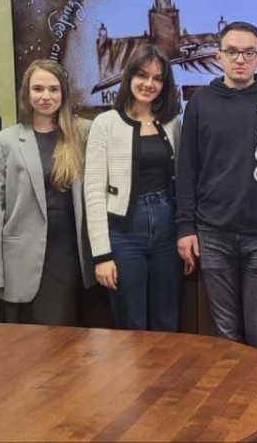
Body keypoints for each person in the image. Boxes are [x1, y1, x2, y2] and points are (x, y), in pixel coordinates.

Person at [176, 20, 257, 357]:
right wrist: (185, 227)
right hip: (213, 234)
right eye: (232, 52)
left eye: (248, 52)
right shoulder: (200, 103)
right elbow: (187, 170)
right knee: (226, 337)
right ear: (218, 57)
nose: (240, 59)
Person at [0, 59, 95, 325]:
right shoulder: (5, 141)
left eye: (53, 89)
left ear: (64, 93)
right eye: (38, 89)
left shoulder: (82, 133)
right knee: (21, 340)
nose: (46, 96)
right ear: (27, 93)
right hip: (19, 258)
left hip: (66, 254)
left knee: (58, 332)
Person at [85, 44, 183, 330]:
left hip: (168, 229)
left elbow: (183, 182)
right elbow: (93, 194)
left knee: (167, 320)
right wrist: (102, 256)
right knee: (131, 323)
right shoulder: (105, 124)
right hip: (124, 232)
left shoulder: (173, 124)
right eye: (142, 75)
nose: (149, 84)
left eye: (157, 78)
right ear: (129, 77)